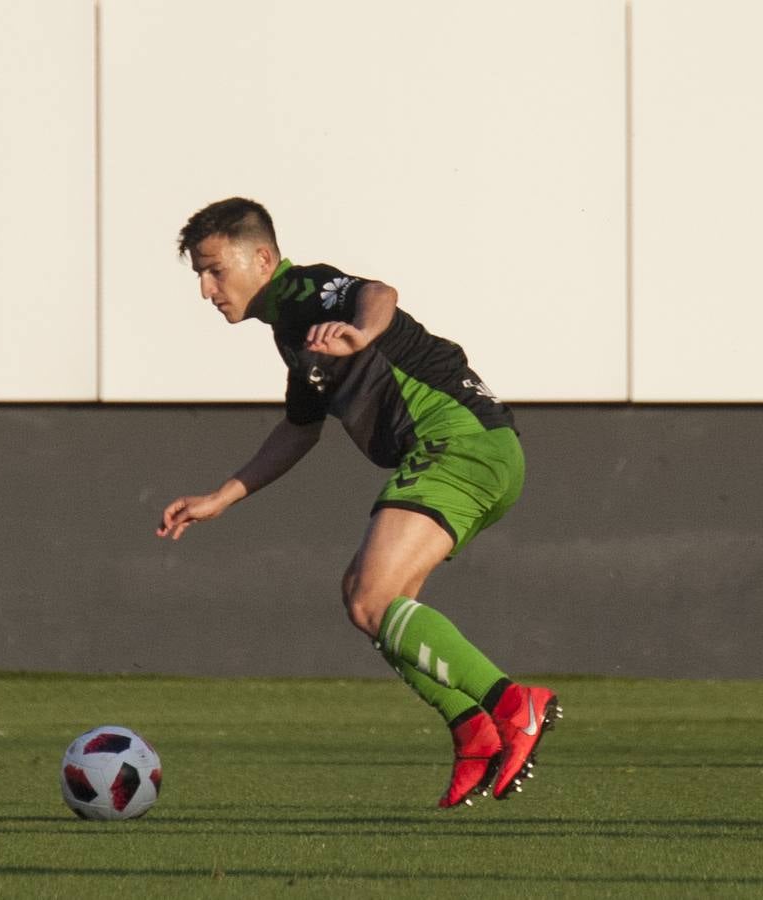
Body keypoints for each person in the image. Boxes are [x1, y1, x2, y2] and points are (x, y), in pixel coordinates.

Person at [157, 197, 561, 808]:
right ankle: (472, 730)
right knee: (370, 601)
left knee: (372, 598)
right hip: (480, 451)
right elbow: (299, 429)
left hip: (459, 444)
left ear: (262, 258)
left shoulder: (304, 291)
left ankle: (512, 705)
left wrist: (364, 332)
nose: (208, 289)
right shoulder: (293, 334)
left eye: (215, 270)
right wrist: (222, 497)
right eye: (200, 276)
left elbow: (379, 292)